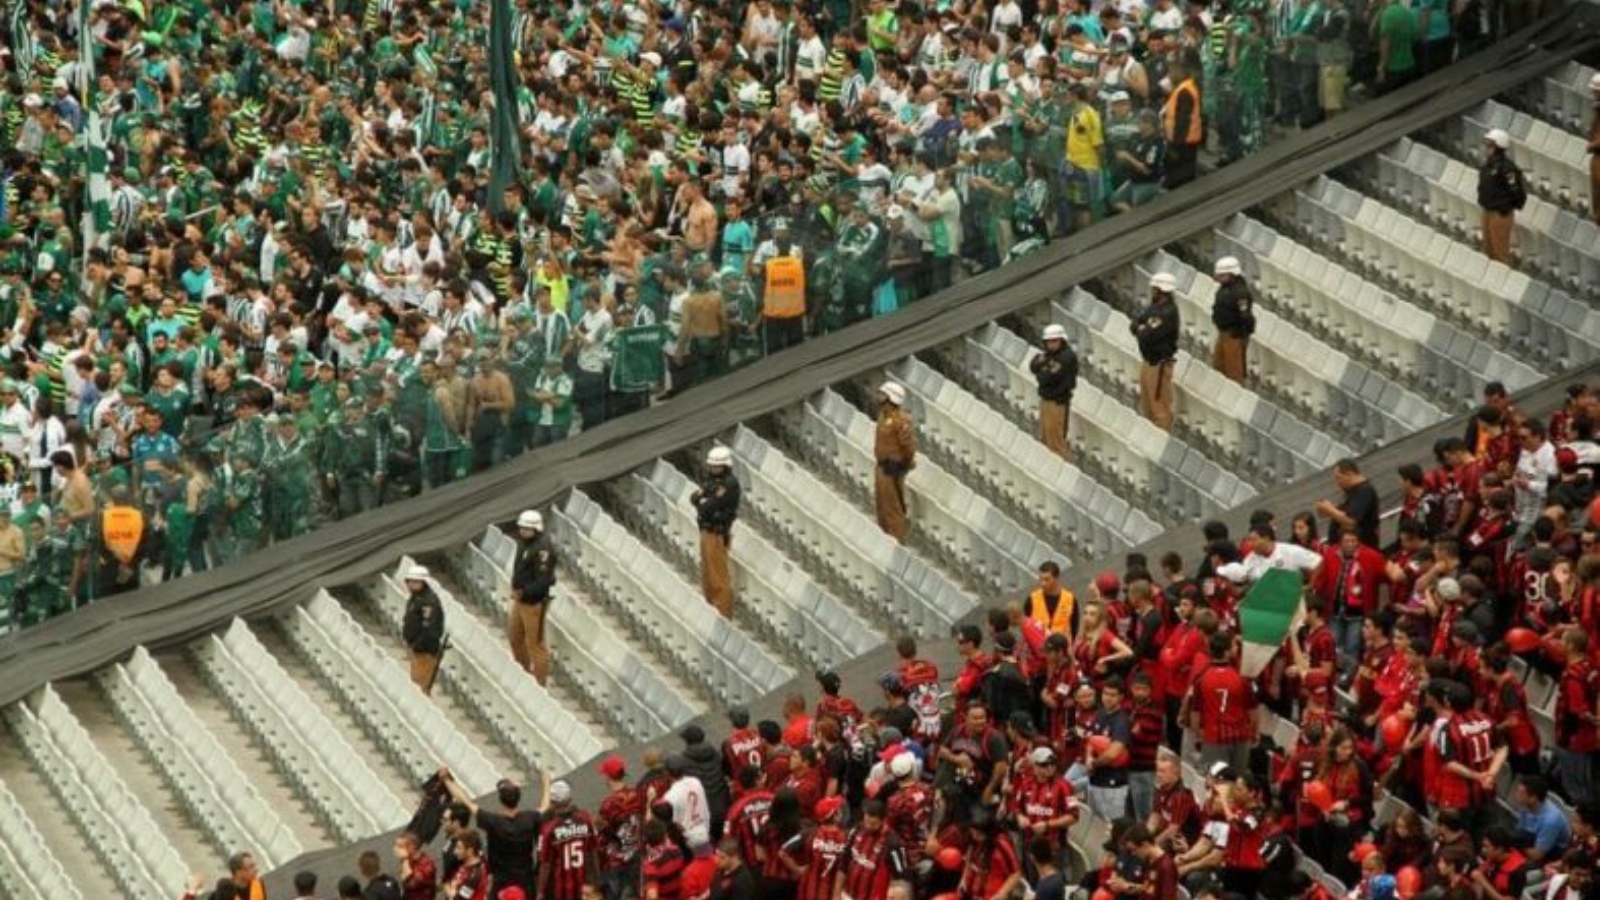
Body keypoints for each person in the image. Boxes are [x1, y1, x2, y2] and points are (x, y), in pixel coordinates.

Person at [442, 768, 546, 898]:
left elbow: (467, 802)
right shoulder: (530, 819)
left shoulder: (493, 822)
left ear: (501, 800)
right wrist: (547, 782)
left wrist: (447, 780)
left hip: (500, 882)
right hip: (525, 881)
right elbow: (544, 807)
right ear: (519, 798)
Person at [693, 446, 742, 618]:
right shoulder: (712, 481)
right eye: (712, 466)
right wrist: (703, 502)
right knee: (707, 574)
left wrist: (703, 502)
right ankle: (711, 608)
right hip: (706, 531)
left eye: (717, 466)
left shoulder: (729, 484)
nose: (713, 469)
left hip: (717, 534)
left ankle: (724, 613)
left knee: (719, 577)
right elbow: (695, 497)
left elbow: (707, 506)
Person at [509, 509, 557, 684]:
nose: (523, 531)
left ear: (536, 529)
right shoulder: (524, 543)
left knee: (536, 644)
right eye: (522, 527)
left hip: (534, 603)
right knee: (514, 638)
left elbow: (543, 581)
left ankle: (540, 683)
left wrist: (524, 592)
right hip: (520, 600)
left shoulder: (543, 550)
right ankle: (524, 673)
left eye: (527, 528)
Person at [1132, 272, 1180, 431]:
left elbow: (1147, 335)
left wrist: (1141, 328)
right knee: (1148, 405)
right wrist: (1141, 328)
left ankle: (1163, 442)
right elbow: (1135, 325)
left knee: (1159, 407)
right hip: (1148, 361)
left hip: (1159, 364)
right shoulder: (1154, 307)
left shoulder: (1167, 312)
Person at [539, 780, 598, 900]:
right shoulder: (585, 818)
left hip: (559, 887)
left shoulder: (549, 828)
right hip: (582, 882)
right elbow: (592, 851)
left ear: (552, 802)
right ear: (570, 799)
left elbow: (545, 864)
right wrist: (596, 878)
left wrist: (540, 890)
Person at [873, 382, 916, 543]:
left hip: (893, 469)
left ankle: (897, 540)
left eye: (882, 395)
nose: (878, 398)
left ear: (891, 398)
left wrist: (904, 464)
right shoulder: (883, 416)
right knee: (882, 506)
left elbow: (908, 447)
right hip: (882, 466)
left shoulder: (900, 421)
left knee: (893, 507)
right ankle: (885, 537)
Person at [1477, 128, 1528, 265]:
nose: (1486, 148)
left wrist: (1506, 208)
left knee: (1500, 254)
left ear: (1498, 147)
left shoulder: (1507, 168)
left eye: (1489, 145)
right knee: (1489, 250)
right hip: (1487, 210)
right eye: (1486, 144)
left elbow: (1517, 191)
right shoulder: (1488, 165)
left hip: (1500, 213)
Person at [1031, 324, 1079, 460]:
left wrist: (1042, 367)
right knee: (1046, 439)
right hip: (1046, 400)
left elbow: (1045, 377)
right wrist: (1042, 367)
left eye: (1054, 341)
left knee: (1056, 443)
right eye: (1048, 341)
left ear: (1062, 340)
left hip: (1057, 402)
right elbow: (1034, 366)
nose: (1051, 344)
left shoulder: (1066, 357)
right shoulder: (1051, 355)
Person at [400, 564, 446, 694]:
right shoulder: (416, 598)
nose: (410, 584)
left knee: (419, 689)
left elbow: (431, 630)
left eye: (415, 581)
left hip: (424, 651)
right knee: (416, 684)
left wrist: (417, 646)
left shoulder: (429, 602)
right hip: (415, 649)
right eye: (409, 581)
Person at [1210, 257, 1254, 384]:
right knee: (1219, 364)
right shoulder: (1224, 288)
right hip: (1223, 332)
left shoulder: (1240, 293)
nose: (1218, 277)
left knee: (1233, 369)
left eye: (1222, 275)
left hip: (1234, 333)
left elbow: (1245, 316)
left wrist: (1240, 333)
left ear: (1232, 274)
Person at [1317, 459, 1381, 548]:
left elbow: (1350, 521)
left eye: (1338, 478)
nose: (1337, 482)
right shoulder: (1351, 491)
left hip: (1358, 549)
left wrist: (1330, 510)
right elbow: (1345, 512)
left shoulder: (1365, 491)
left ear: (1349, 474)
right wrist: (1329, 510)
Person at [1163, 59, 1203, 187]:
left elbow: (1183, 121)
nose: (1169, 75)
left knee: (1181, 180)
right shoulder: (1184, 89)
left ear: (1179, 72)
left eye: (1171, 71)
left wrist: (1175, 146)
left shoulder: (1185, 91)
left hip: (1184, 143)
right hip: (1185, 141)